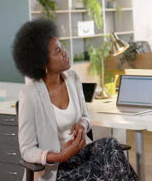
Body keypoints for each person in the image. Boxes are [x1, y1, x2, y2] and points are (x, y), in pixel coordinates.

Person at [12, 19, 137, 181]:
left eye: (62, 47)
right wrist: (60, 156)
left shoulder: (73, 78)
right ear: (42, 62)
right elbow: (27, 150)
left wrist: (82, 125)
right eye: (57, 51)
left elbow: (85, 117)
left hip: (82, 155)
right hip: (58, 168)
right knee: (111, 170)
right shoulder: (29, 94)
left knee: (110, 145)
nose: (65, 52)